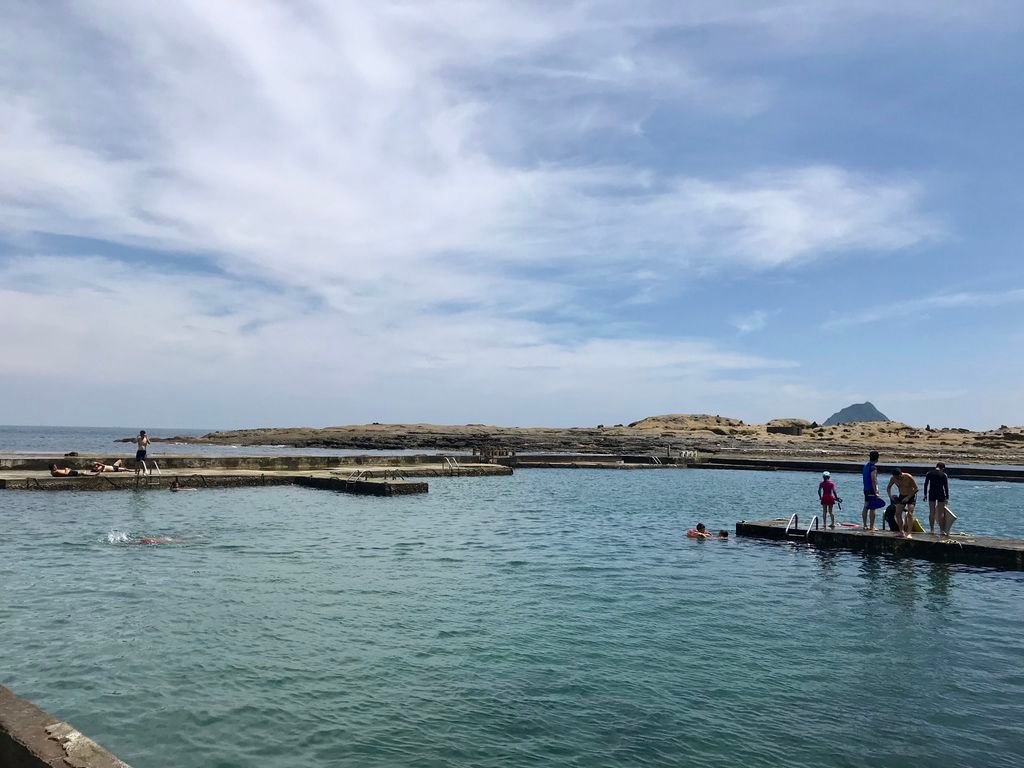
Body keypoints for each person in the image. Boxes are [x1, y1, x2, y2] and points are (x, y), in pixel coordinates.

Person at [886, 468, 919, 539]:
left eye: (898, 477)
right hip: (901, 495)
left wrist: (908, 497)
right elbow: (888, 487)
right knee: (897, 514)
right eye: (895, 477)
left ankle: (909, 533)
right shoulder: (893, 478)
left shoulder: (908, 477)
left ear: (901, 474)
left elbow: (916, 488)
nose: (897, 479)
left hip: (911, 495)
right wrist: (890, 496)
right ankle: (901, 532)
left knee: (909, 513)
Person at [924, 462, 951, 536]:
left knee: (931, 512)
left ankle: (932, 529)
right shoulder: (944, 475)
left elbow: (926, 484)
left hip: (932, 493)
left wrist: (925, 494)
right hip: (940, 493)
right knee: (941, 513)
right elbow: (946, 487)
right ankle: (941, 530)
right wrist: (947, 496)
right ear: (943, 468)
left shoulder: (929, 473)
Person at [861, 451, 882, 530]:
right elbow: (874, 480)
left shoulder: (865, 466)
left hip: (866, 489)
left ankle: (865, 525)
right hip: (871, 490)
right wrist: (876, 491)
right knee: (872, 508)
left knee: (866, 506)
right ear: (877, 458)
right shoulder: (873, 467)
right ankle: (871, 526)